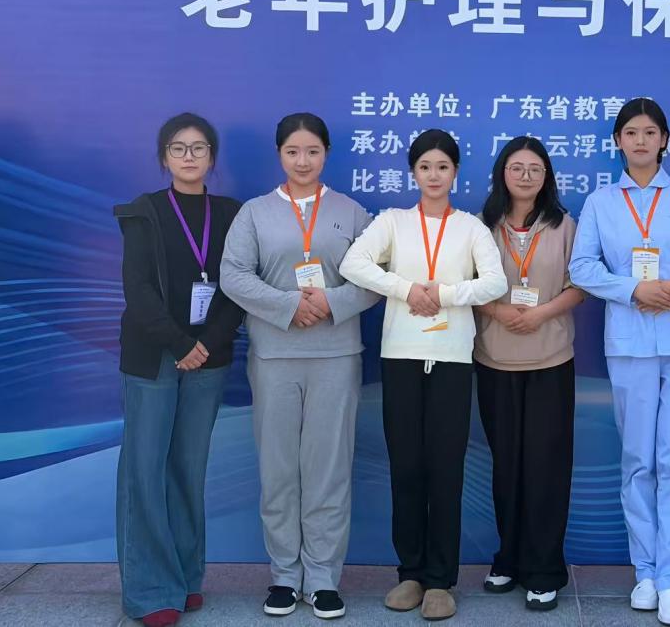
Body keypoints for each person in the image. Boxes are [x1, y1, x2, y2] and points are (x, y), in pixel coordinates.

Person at [568, 98, 670, 627]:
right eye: (630, 133)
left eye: (649, 132)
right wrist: (632, 289)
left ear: (665, 140)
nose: (640, 141)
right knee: (639, 457)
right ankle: (645, 570)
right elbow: (582, 267)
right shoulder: (601, 202)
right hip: (631, 341)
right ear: (617, 141)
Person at [339, 129, 507, 622]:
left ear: (456, 173)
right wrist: (407, 289)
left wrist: (446, 295)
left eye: (443, 167)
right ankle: (410, 573)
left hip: (452, 359)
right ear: (413, 172)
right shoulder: (392, 221)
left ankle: (440, 581)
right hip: (401, 357)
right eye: (425, 166)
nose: (434, 175)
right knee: (407, 468)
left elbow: (495, 282)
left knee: (446, 470)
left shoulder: (472, 228)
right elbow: (353, 263)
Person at [219, 113, 379, 621]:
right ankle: (285, 577)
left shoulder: (351, 212)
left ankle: (324, 578)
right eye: (293, 152)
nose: (303, 161)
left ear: (326, 153)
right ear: (280, 155)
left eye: (312, 151)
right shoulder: (255, 213)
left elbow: (378, 277)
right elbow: (233, 275)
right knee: (279, 469)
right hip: (274, 356)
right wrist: (289, 306)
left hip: (336, 356)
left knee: (328, 470)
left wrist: (332, 302)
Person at [114, 112, 244, 627]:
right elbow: (138, 288)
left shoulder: (232, 214)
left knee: (188, 469)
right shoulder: (143, 212)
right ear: (163, 157)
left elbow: (237, 285)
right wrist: (180, 344)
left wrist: (205, 345)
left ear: (212, 157)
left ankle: (186, 578)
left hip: (209, 356)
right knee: (145, 470)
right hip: (153, 356)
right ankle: (149, 590)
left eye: (198, 148)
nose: (189, 157)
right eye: (178, 148)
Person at [474, 136, 586, 611]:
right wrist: (499, 311)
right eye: (516, 167)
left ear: (547, 177)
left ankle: (544, 569)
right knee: (507, 465)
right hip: (494, 359)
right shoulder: (481, 226)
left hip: (550, 359)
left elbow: (580, 284)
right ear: (502, 173)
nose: (525, 176)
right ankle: (509, 559)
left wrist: (540, 314)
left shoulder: (564, 225)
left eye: (535, 169)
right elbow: (466, 284)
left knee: (546, 467)